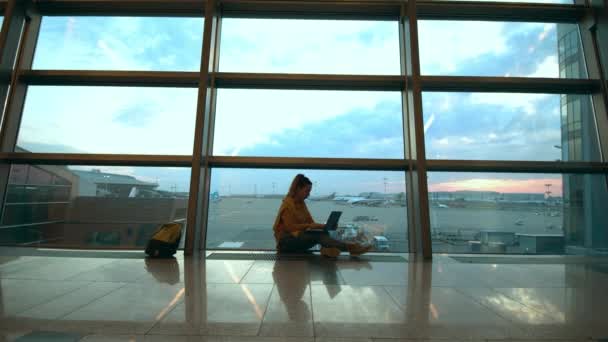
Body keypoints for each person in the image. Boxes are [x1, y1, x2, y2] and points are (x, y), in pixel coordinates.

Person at [272, 174, 371, 258]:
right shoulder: (288, 205)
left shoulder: (301, 204)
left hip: (297, 238)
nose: (308, 194)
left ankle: (333, 249)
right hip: (285, 242)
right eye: (307, 191)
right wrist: (309, 226)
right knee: (319, 236)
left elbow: (311, 223)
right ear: (298, 189)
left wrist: (325, 227)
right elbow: (290, 227)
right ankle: (352, 248)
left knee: (323, 234)